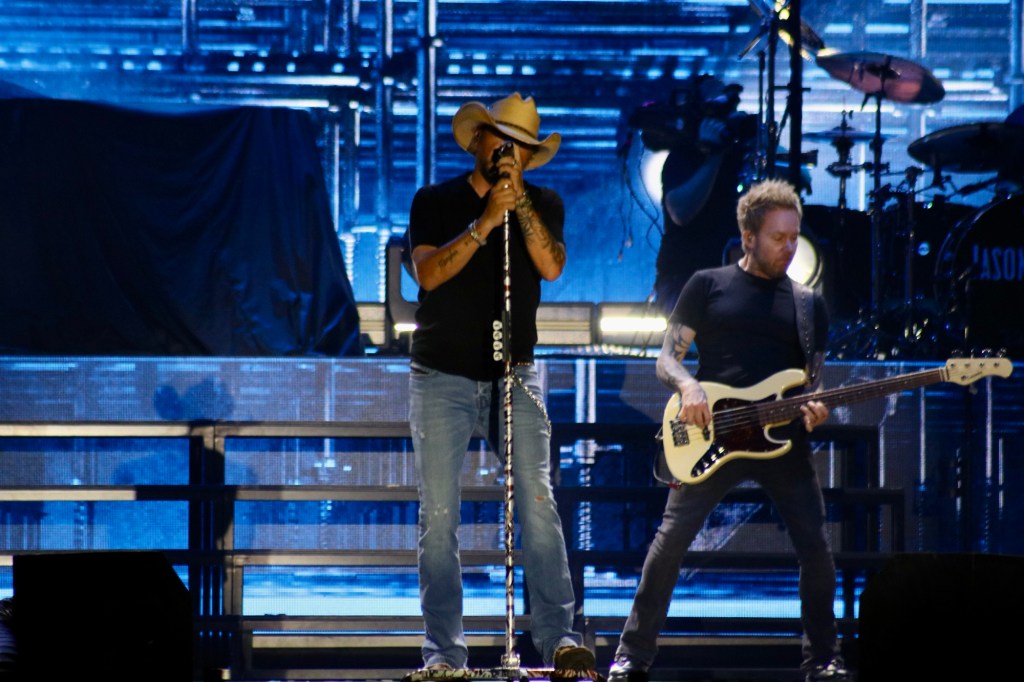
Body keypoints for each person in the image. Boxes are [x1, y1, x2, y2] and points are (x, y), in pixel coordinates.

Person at [607, 179, 849, 682]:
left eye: (794, 237)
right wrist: (689, 387)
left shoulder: (810, 304)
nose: (789, 247)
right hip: (710, 432)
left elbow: (813, 384)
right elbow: (667, 359)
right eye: (778, 237)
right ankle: (632, 656)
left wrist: (816, 408)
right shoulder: (707, 285)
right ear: (748, 237)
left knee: (815, 547)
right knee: (670, 542)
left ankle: (824, 658)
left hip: (781, 441)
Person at [405, 92, 595, 673]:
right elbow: (427, 273)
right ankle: (444, 654)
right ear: (478, 141)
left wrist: (518, 206)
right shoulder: (435, 201)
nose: (509, 152)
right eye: (501, 140)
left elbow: (551, 265)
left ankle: (559, 638)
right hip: (442, 376)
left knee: (537, 502)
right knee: (440, 518)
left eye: (521, 147)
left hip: (514, 373)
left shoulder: (543, 203)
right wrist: (485, 222)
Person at [648, 75, 756, 318]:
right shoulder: (682, 158)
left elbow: (800, 180)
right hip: (685, 279)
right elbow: (681, 212)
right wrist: (713, 155)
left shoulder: (741, 156)